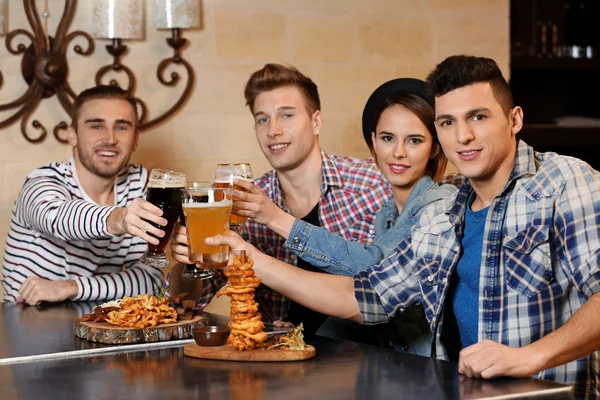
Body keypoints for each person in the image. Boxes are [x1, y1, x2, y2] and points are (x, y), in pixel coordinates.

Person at [202, 55, 600, 397]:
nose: (463, 135)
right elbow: (364, 297)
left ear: (514, 120)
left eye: (477, 117)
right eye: (447, 122)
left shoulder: (562, 181)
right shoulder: (443, 217)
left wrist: (530, 356)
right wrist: (249, 258)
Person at [226, 78, 458, 354]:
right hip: (389, 363)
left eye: (415, 141)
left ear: (434, 147)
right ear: (373, 142)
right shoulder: (386, 215)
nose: (398, 153)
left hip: (432, 371)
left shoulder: (436, 203)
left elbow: (369, 276)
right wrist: (300, 338)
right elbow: (376, 307)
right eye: (387, 138)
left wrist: (273, 221)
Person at [170, 63, 395, 335]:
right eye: (262, 119)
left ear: (316, 121)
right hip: (279, 356)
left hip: (365, 354)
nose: (273, 130)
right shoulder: (239, 203)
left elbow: (392, 293)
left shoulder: (372, 184)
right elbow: (191, 301)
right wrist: (187, 258)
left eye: (286, 115)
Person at [2, 85, 167, 305]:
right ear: (72, 135)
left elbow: (150, 279)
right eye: (96, 126)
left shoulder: (140, 185)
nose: (109, 139)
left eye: (121, 127)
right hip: (27, 324)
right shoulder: (42, 181)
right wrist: (118, 219)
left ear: (135, 138)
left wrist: (72, 287)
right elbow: (57, 218)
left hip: (99, 329)